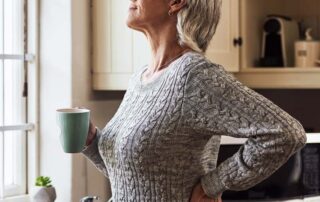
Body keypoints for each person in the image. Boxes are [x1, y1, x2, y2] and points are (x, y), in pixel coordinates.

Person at [81, 0, 307, 201]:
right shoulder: (139, 79)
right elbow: (137, 177)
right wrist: (92, 144)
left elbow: (286, 132)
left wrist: (214, 184)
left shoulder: (194, 75)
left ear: (176, 2)